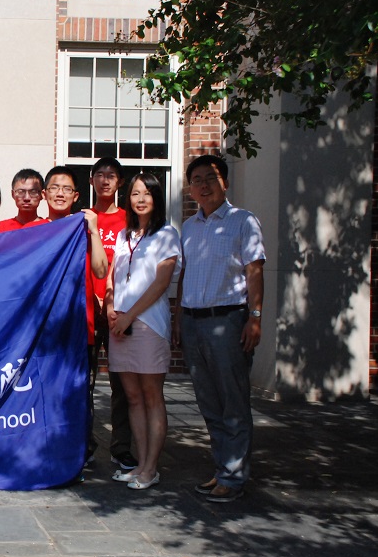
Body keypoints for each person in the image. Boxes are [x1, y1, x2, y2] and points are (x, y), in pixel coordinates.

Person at [174, 154, 266, 503]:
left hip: (228, 321)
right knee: (209, 403)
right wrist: (179, 318)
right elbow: (184, 274)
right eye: (196, 179)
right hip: (193, 322)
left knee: (233, 402)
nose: (203, 185)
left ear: (224, 182)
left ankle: (234, 477)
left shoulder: (243, 221)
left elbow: (254, 271)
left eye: (210, 177)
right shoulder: (189, 227)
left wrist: (254, 317)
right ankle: (222, 469)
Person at [106, 172, 181, 491]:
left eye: (146, 193)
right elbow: (113, 276)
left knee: (151, 397)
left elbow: (161, 283)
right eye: (135, 193)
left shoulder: (167, 234)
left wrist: (130, 317)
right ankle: (139, 464)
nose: (140, 199)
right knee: (133, 398)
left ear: (156, 197)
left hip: (149, 324)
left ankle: (151, 467)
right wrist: (111, 307)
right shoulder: (124, 235)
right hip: (119, 326)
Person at [42, 166, 110, 466]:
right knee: (47, 390)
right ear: (44, 194)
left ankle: (80, 452)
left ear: (76, 195)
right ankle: (49, 449)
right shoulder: (36, 229)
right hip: (46, 328)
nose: (60, 193)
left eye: (66, 189)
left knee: (81, 391)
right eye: (54, 188)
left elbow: (101, 270)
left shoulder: (83, 227)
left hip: (81, 325)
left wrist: (94, 230)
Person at [89, 158, 136, 471]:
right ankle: (85, 446)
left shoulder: (129, 220)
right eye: (100, 175)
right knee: (86, 383)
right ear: (92, 180)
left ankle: (121, 448)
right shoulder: (82, 218)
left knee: (122, 384)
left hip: (119, 310)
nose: (105, 180)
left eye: (112, 176)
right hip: (87, 311)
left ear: (120, 182)